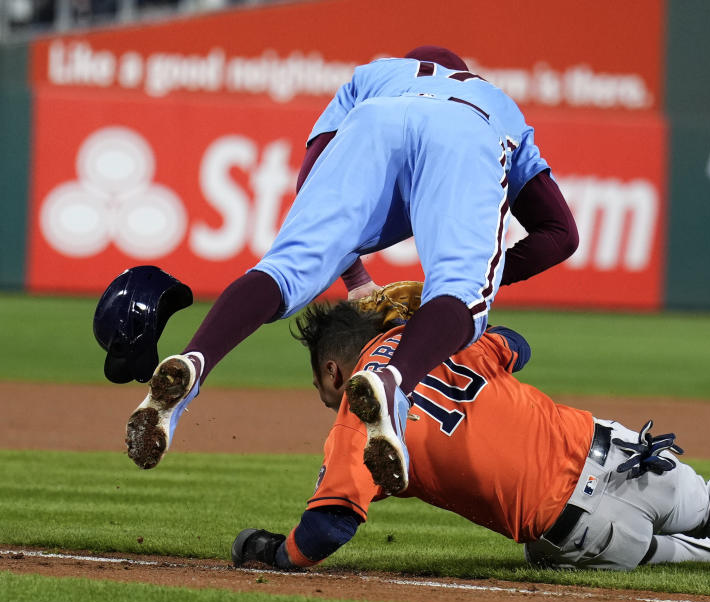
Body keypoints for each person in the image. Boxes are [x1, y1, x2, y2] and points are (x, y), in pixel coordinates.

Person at [125, 45, 579, 493]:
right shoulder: (496, 100)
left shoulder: (375, 74)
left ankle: (195, 360)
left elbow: (311, 182)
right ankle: (391, 380)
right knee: (460, 294)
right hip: (467, 132)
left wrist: (356, 279)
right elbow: (561, 234)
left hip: (373, 122)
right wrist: (457, 286)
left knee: (285, 269)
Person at [231, 300, 710, 578]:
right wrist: (443, 325)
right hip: (619, 454)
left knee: (652, 551)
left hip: (582, 527)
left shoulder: (357, 415)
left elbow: (327, 529)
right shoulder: (434, 346)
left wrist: (272, 553)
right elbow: (517, 345)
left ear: (332, 368)